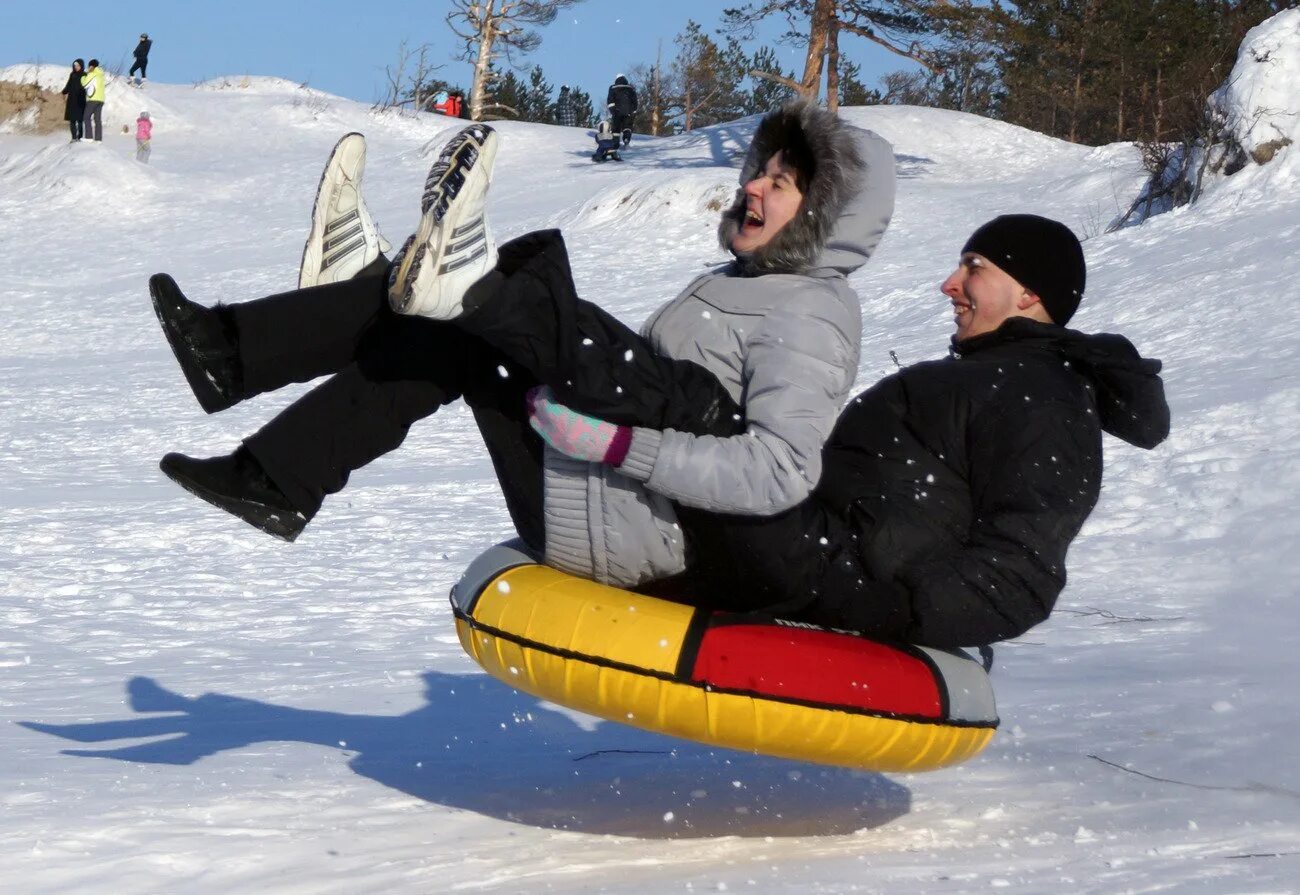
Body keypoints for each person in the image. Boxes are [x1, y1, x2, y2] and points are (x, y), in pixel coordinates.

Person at [150, 103, 896, 593]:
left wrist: (616, 447)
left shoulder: (815, 311)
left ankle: (397, 298)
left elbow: (779, 470)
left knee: (515, 314)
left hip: (642, 537)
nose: (753, 189)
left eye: (783, 183)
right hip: (605, 502)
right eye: (759, 170)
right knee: (456, 331)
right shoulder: (740, 284)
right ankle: (269, 459)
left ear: (823, 220)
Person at [529, 214, 1170, 648]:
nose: (950, 284)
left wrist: (889, 608)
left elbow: (1023, 568)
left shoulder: (1043, 396)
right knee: (696, 398)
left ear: (1030, 293)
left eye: (973, 267)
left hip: (829, 570)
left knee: (694, 401)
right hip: (817, 550)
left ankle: (514, 297)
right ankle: (490, 317)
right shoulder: (1002, 376)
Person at [605, 74, 637, 147]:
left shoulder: (613, 88)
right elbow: (634, 101)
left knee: (616, 128)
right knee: (627, 127)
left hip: (617, 111)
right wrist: (633, 111)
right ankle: (626, 139)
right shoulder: (630, 88)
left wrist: (612, 110)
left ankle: (615, 143)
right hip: (628, 112)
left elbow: (610, 100)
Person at [60, 59, 87, 142]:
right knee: (72, 120)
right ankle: (74, 137)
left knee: (79, 121)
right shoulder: (72, 75)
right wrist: (64, 91)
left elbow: (87, 86)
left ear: (81, 66)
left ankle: (80, 137)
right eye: (75, 66)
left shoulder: (84, 75)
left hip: (80, 101)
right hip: (71, 101)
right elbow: (68, 85)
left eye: (78, 66)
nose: (76, 67)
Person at [81, 59, 105, 142]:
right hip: (101, 100)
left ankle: (89, 137)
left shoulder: (92, 74)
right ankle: (98, 139)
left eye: (89, 66)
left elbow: (84, 84)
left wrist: (83, 77)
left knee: (86, 117)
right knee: (97, 119)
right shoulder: (101, 75)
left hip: (92, 99)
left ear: (91, 66)